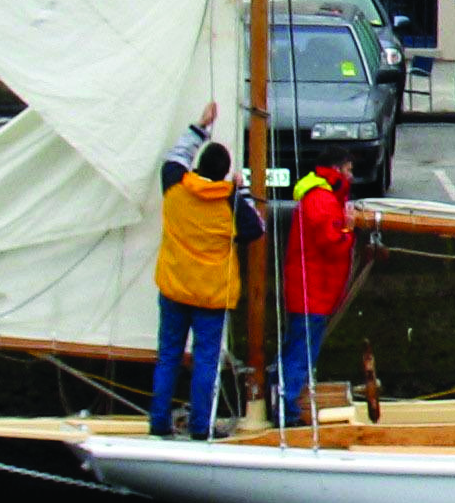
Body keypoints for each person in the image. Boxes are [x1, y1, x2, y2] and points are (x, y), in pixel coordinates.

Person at [151, 101, 265, 440]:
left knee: (169, 356)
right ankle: (200, 428)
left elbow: (176, 156)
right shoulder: (230, 202)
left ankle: (158, 423)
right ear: (225, 173)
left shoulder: (174, 184)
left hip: (174, 287)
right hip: (211, 295)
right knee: (204, 363)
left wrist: (201, 127)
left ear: (198, 166)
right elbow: (256, 229)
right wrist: (241, 189)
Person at [276, 150, 354, 425]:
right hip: (313, 291)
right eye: (348, 169)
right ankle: (286, 411)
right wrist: (348, 230)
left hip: (309, 290)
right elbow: (332, 244)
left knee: (296, 348)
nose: (351, 175)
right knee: (300, 352)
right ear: (336, 169)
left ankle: (283, 401)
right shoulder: (322, 200)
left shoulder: (318, 197)